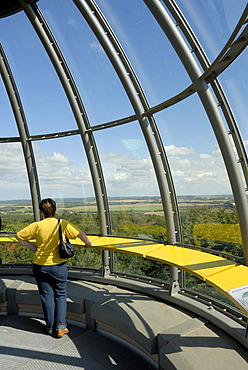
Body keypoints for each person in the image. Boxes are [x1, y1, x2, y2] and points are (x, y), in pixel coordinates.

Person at [16, 198, 92, 338]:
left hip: (40, 265)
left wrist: (33, 247)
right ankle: (61, 328)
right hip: (58, 266)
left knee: (46, 296)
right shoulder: (61, 223)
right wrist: (88, 243)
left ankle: (50, 327)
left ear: (41, 212)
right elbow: (80, 235)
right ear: (54, 210)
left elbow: (19, 236)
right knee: (61, 295)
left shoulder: (36, 226)